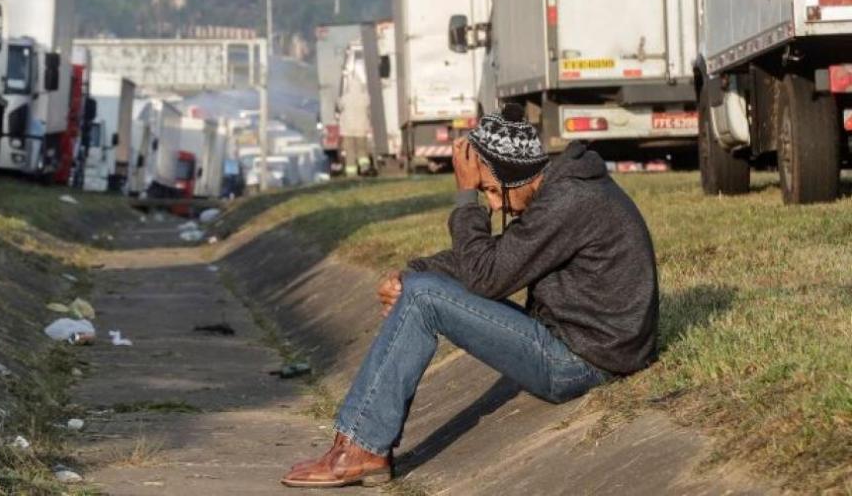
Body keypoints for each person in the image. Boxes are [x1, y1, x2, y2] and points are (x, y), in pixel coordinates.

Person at [281, 104, 659, 488]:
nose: (494, 205)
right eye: (484, 194)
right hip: (582, 345)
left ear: (518, 175)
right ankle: (353, 442)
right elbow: (500, 258)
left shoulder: (569, 201)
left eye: (492, 191)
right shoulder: (561, 192)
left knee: (424, 299)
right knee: (420, 290)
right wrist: (413, 273)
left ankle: (362, 446)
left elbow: (487, 277)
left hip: (584, 362)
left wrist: (465, 198)